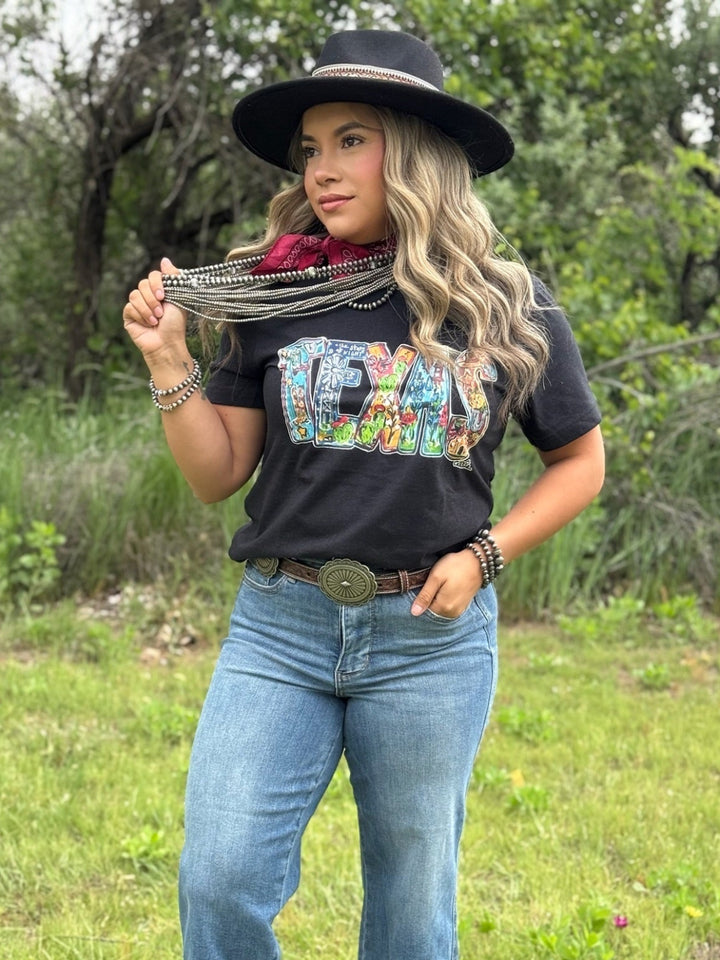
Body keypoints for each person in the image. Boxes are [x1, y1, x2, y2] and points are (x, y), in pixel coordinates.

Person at [123, 29, 604, 960]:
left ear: (416, 154)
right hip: (282, 627)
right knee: (217, 877)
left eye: (352, 140)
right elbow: (217, 474)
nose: (322, 169)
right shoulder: (278, 293)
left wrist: (486, 556)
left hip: (429, 640)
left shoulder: (506, 304)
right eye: (311, 147)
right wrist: (169, 360)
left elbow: (580, 461)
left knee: (411, 911)